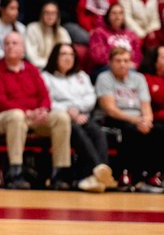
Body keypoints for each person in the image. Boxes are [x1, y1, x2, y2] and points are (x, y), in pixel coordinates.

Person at [0, 32, 72, 189]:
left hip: (33, 116)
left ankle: (59, 174)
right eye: (7, 43)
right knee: (17, 117)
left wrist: (43, 110)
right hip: (3, 117)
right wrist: (27, 112)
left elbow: (44, 95)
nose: (10, 46)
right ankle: (15, 172)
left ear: (23, 49)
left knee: (62, 117)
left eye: (14, 43)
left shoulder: (31, 70)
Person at [41, 42, 115, 192]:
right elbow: (47, 101)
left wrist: (76, 109)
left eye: (71, 54)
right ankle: (98, 170)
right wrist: (68, 110)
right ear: (55, 57)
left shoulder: (82, 76)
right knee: (75, 130)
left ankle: (96, 175)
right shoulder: (46, 77)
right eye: (63, 54)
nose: (68, 58)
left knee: (96, 131)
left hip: (81, 115)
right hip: (60, 119)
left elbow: (90, 98)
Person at [95, 47, 164, 192]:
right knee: (130, 130)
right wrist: (136, 121)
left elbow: (146, 105)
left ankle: (151, 175)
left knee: (159, 130)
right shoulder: (104, 78)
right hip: (115, 118)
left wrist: (147, 120)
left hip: (138, 118)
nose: (122, 64)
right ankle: (126, 173)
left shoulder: (138, 78)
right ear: (110, 62)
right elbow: (110, 109)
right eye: (118, 61)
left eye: (126, 60)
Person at [87, 4, 142, 72]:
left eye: (120, 13)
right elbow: (97, 56)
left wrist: (132, 64)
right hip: (106, 67)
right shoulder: (99, 33)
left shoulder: (131, 35)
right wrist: (117, 63)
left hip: (128, 68)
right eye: (114, 13)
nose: (117, 16)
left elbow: (137, 56)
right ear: (108, 16)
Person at [25, 1, 71, 69]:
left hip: (58, 69)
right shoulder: (32, 29)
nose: (50, 16)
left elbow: (68, 54)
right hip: (38, 69)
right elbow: (31, 57)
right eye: (47, 13)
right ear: (42, 14)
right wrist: (52, 65)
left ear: (57, 15)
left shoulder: (62, 32)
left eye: (53, 13)